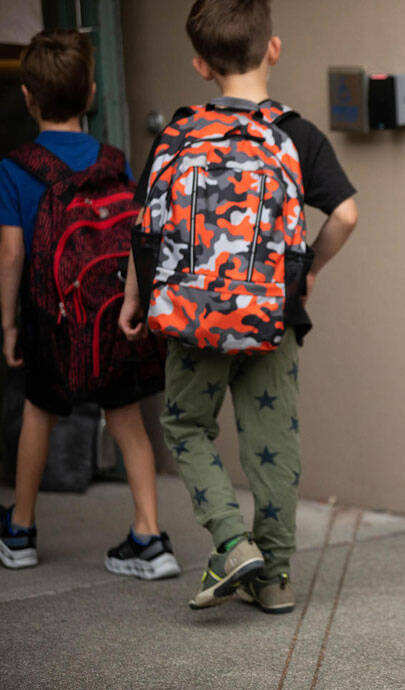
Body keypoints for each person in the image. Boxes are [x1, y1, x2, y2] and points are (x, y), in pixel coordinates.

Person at [119, 0, 357, 614]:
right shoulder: (297, 134)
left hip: (190, 318)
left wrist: (135, 297)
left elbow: (145, 226)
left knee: (185, 425)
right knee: (271, 440)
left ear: (201, 65)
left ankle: (230, 539)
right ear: (273, 49)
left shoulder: (177, 132)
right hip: (272, 318)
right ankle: (272, 577)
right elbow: (347, 214)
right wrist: (303, 274)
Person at [0, 29, 179, 580]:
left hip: (49, 319)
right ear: (93, 93)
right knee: (127, 420)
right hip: (110, 314)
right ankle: (149, 536)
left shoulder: (16, 167)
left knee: (39, 412)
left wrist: (8, 326)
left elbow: (11, 253)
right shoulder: (113, 158)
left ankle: (22, 531)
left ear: (27, 96)